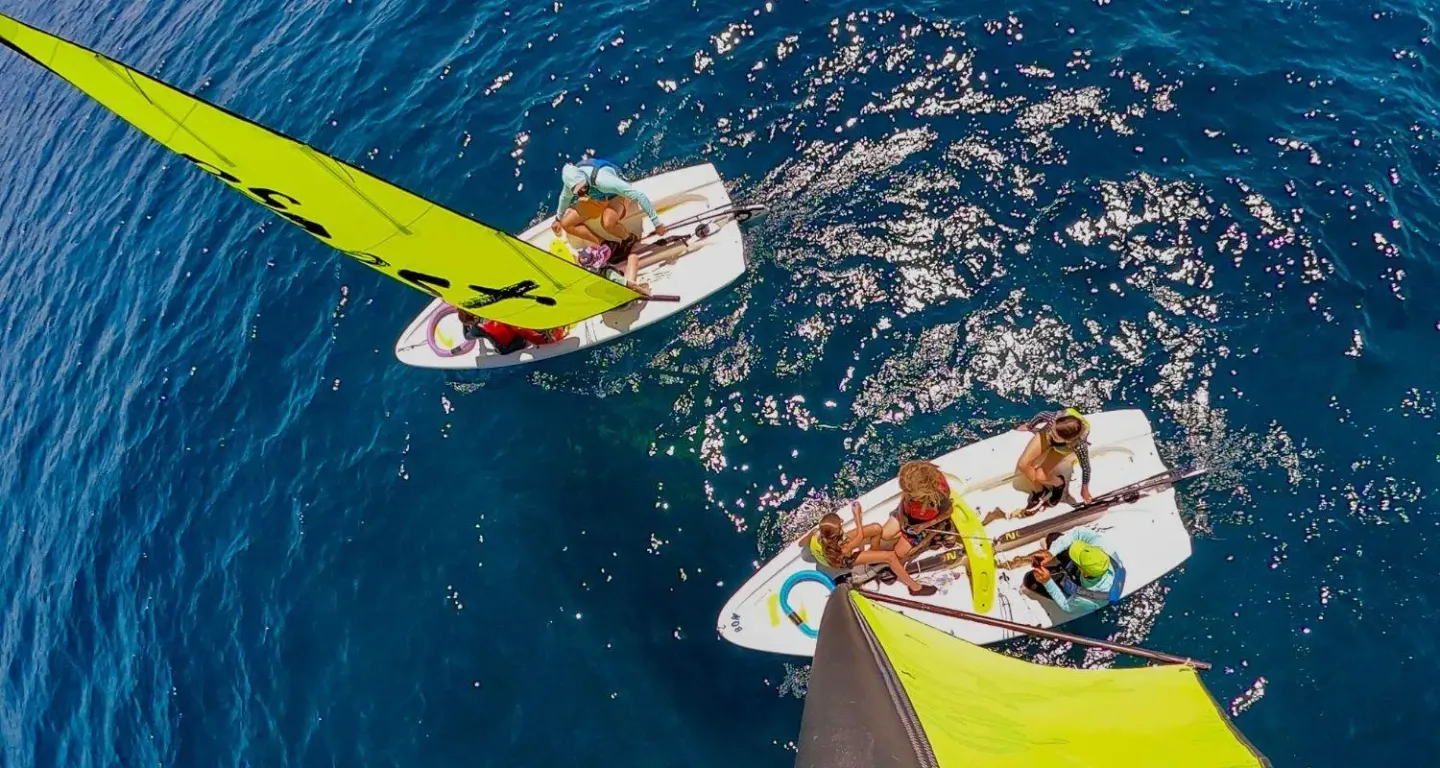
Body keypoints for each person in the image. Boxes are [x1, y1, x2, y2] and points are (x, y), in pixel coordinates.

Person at [551, 158, 668, 295]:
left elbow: (639, 196)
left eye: (585, 187)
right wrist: (558, 219)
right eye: (579, 192)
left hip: (617, 195)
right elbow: (564, 198)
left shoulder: (604, 181)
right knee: (567, 223)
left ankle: (628, 238)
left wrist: (657, 223)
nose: (583, 192)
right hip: (597, 198)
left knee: (607, 222)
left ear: (585, 179)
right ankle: (605, 245)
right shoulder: (572, 183)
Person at [804, 502, 938, 596]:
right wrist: (857, 515)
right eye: (840, 524)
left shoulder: (814, 535)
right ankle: (915, 588)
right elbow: (860, 536)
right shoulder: (843, 546)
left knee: (876, 528)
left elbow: (801, 544)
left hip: (831, 553)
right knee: (890, 556)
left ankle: (874, 552)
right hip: (842, 561)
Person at [1021, 526, 1125, 614]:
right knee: (1053, 538)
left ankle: (1057, 575)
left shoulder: (1087, 599)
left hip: (1075, 585)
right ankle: (1058, 562)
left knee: (1029, 579)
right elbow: (1078, 533)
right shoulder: (1103, 547)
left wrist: (1047, 582)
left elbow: (1066, 606)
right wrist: (1051, 552)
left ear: (1083, 571)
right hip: (1079, 572)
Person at [1014, 408, 1094, 515]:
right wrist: (1030, 426)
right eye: (1053, 429)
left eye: (1055, 435)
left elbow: (1086, 468)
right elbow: (1041, 415)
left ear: (1068, 441)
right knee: (1022, 465)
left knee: (1040, 476)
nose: (1052, 433)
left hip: (1062, 449)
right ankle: (1039, 492)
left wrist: (1084, 490)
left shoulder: (1079, 445)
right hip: (1045, 435)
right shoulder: (1053, 420)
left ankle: (1058, 484)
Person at [879, 461, 956, 562]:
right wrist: (901, 516)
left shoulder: (940, 498)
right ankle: (906, 534)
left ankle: (930, 538)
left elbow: (948, 512)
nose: (909, 495)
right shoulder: (910, 485)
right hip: (908, 514)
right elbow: (904, 497)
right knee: (885, 534)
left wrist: (923, 526)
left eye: (912, 495)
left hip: (925, 523)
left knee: (899, 553)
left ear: (927, 491)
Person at [459, 309, 566, 356]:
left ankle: (465, 324)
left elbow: (468, 336)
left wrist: (465, 324)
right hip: (519, 337)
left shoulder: (480, 327)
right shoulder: (496, 314)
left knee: (471, 335)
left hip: (509, 347)